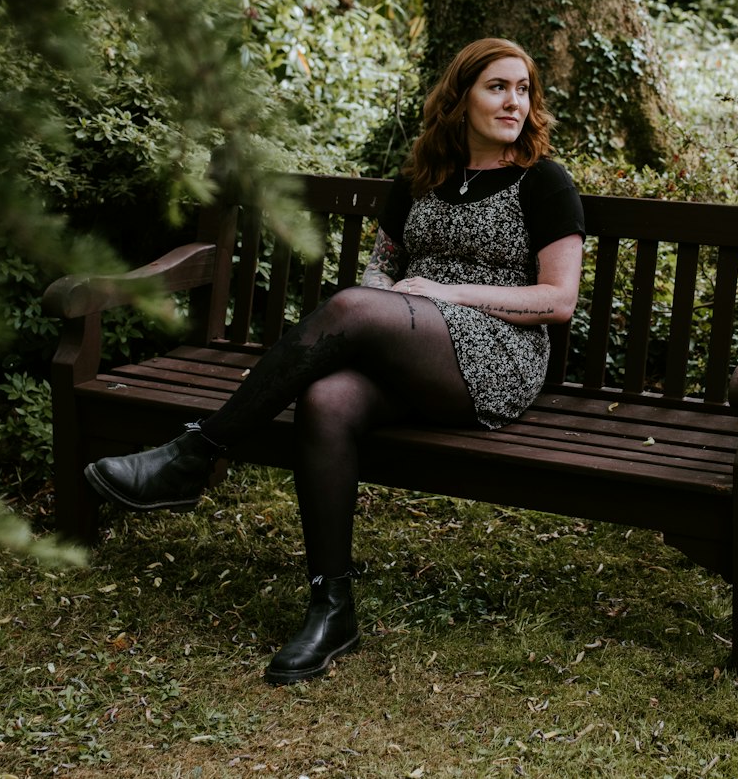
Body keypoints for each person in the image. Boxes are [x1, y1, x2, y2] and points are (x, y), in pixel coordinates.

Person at [84, 37, 585, 685]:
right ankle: (331, 605)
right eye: (497, 86)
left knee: (351, 309)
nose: (513, 100)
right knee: (325, 401)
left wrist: (444, 292)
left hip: (497, 355)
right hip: (411, 344)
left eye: (523, 88)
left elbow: (558, 299)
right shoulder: (420, 179)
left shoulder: (543, 182)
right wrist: (391, 307)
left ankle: (197, 453)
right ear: (459, 98)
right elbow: (383, 270)